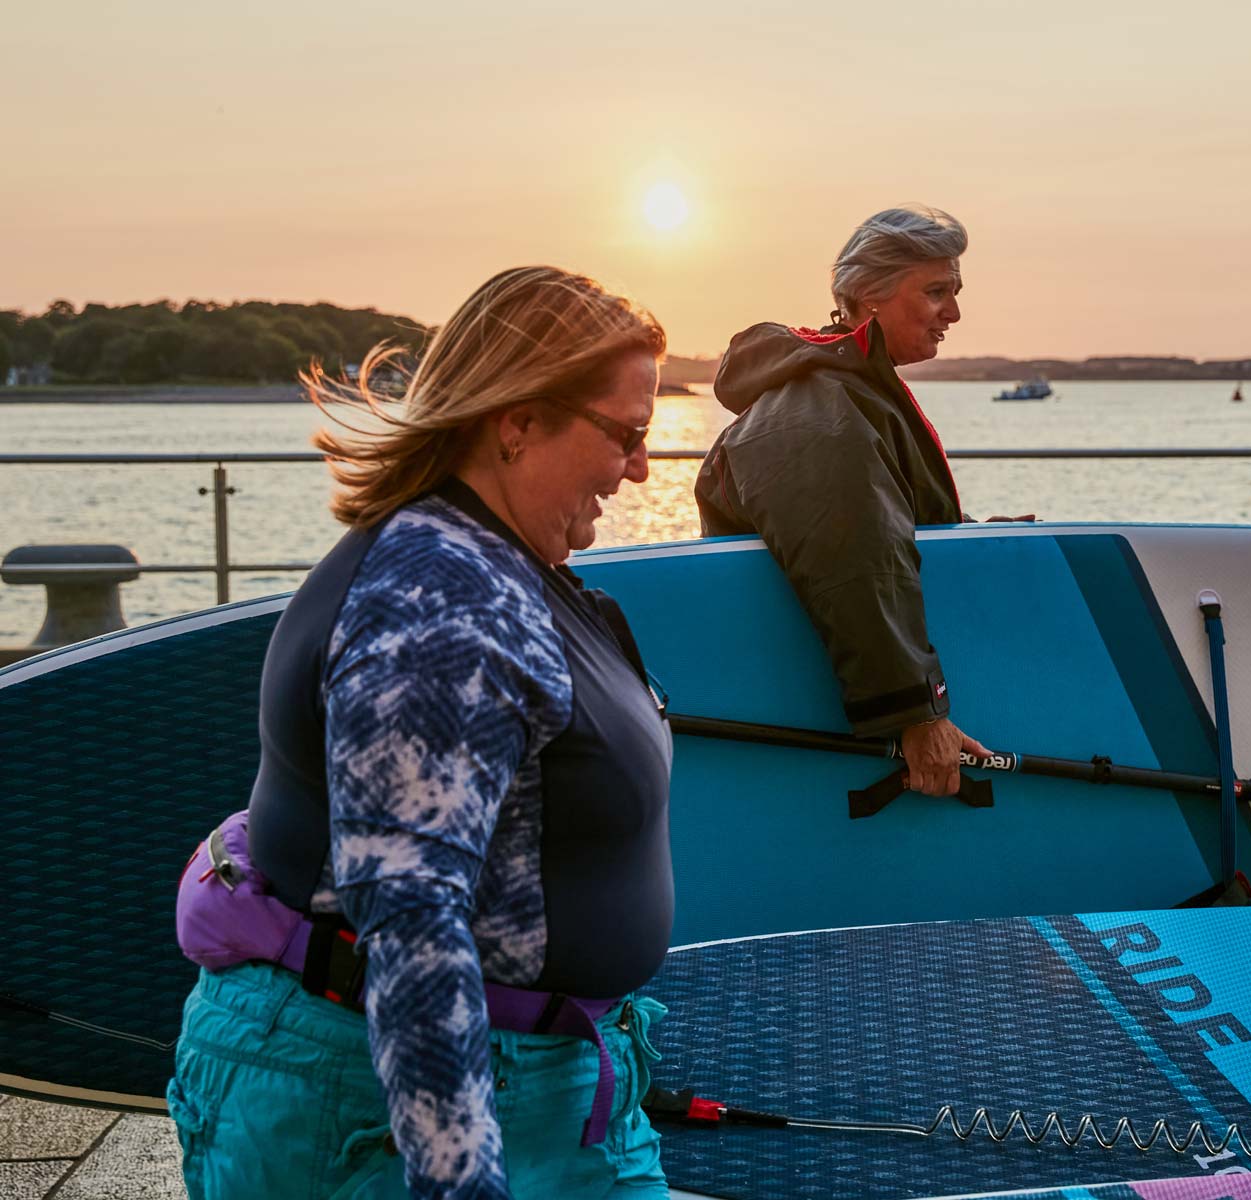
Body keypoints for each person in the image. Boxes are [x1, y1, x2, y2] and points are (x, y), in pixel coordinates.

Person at [169, 266, 675, 1199]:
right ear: (516, 419)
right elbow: (409, 919)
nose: (640, 468)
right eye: (627, 434)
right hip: (385, 1102)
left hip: (546, 1082)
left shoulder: (492, 552)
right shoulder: (440, 604)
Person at [695, 205, 1017, 795]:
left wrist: (974, 536)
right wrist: (917, 715)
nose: (955, 312)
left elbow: (877, 519)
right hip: (803, 718)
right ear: (869, 295)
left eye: (956, 290)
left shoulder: (841, 390)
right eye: (937, 291)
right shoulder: (816, 408)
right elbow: (853, 560)